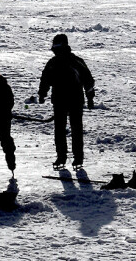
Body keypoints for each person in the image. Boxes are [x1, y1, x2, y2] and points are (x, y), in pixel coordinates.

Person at [39, 34, 95, 170]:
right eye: (55, 46)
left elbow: (88, 81)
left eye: (58, 46)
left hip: (75, 100)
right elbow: (45, 80)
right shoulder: (52, 63)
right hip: (59, 101)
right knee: (60, 130)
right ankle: (61, 156)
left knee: (75, 129)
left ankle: (77, 158)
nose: (55, 49)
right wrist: (42, 94)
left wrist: (90, 97)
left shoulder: (76, 62)